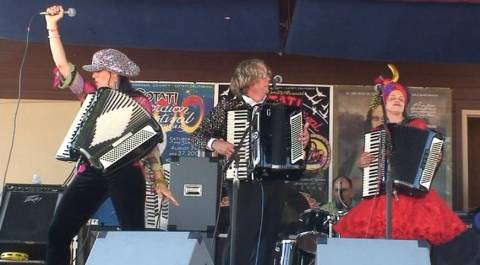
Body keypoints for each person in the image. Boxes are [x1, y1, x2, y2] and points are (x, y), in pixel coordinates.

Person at [44, 5, 178, 265]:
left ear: (114, 75)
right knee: (58, 232)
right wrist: (52, 27)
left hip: (125, 171)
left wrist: (159, 180)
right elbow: (62, 65)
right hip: (92, 171)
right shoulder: (90, 94)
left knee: (134, 237)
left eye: (98, 71)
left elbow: (148, 145)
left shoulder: (139, 101)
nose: (93, 75)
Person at [191, 59, 310, 265]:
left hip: (274, 180)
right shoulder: (228, 106)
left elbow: (293, 148)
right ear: (250, 80)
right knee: (242, 235)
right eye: (264, 75)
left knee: (269, 234)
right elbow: (197, 136)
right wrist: (215, 143)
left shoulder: (276, 110)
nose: (268, 80)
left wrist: (303, 142)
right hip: (242, 179)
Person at [334, 76, 466, 245]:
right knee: (383, 245)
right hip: (384, 195)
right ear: (385, 102)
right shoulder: (377, 133)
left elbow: (427, 154)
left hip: (413, 198)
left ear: (405, 104)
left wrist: (433, 158)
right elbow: (368, 165)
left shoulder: (417, 125)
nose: (397, 100)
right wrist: (363, 163)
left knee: (414, 245)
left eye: (401, 98)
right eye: (393, 97)